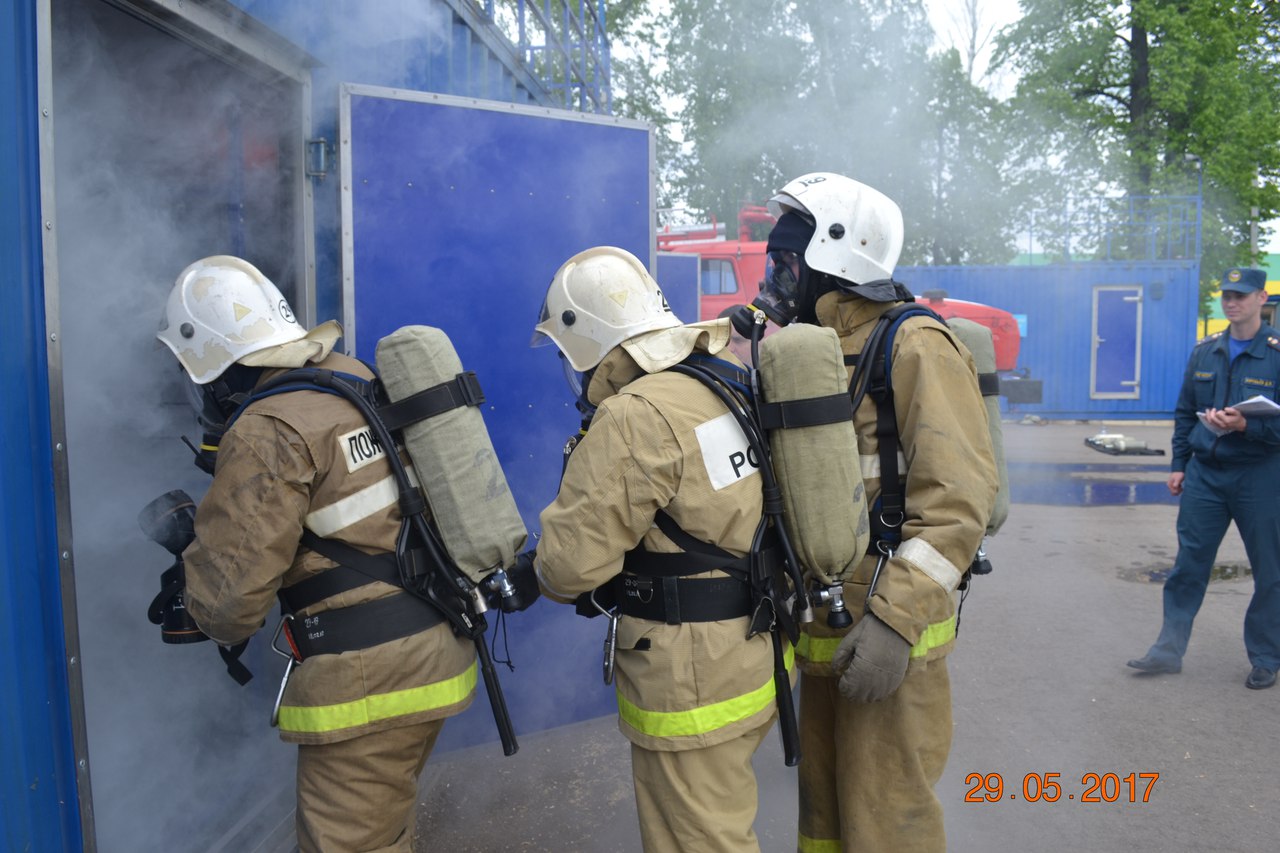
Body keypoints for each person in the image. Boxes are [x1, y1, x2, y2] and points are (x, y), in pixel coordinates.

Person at [156, 255, 491, 852]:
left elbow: (230, 604)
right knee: (385, 831)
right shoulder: (348, 376)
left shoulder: (266, 428)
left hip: (367, 681)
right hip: (434, 646)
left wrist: (193, 579)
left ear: (215, 369)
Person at [759, 173, 998, 853]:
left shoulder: (915, 344)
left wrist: (895, 623)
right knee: (827, 819)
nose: (774, 281)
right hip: (822, 630)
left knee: (887, 819)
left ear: (836, 257)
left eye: (786, 264)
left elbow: (956, 503)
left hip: (889, 637)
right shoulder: (812, 353)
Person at [529, 246, 780, 853]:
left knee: (697, 839)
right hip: (753, 648)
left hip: (691, 677)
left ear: (593, 343)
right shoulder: (724, 382)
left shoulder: (634, 415)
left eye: (572, 355)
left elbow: (568, 569)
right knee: (722, 820)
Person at [1127, 267, 1280, 690]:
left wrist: (1248, 427)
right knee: (1188, 567)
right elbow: (1183, 412)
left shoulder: (1276, 352)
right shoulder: (1206, 351)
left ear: (1261, 299)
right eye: (1227, 295)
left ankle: (1266, 656)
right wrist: (1179, 463)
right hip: (1206, 475)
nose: (1232, 302)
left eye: (1241, 295)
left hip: (1260, 475)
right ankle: (1167, 650)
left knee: (1271, 571)